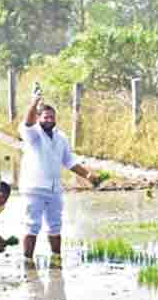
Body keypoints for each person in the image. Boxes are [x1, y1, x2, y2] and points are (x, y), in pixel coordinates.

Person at [19, 92, 101, 263]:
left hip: (55, 189)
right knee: (32, 225)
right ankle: (27, 261)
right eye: (45, 117)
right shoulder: (33, 134)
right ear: (39, 118)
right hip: (34, 188)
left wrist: (87, 175)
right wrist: (33, 104)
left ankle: (56, 258)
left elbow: (69, 161)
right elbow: (27, 123)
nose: (49, 120)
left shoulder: (61, 137)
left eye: (52, 117)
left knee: (55, 225)